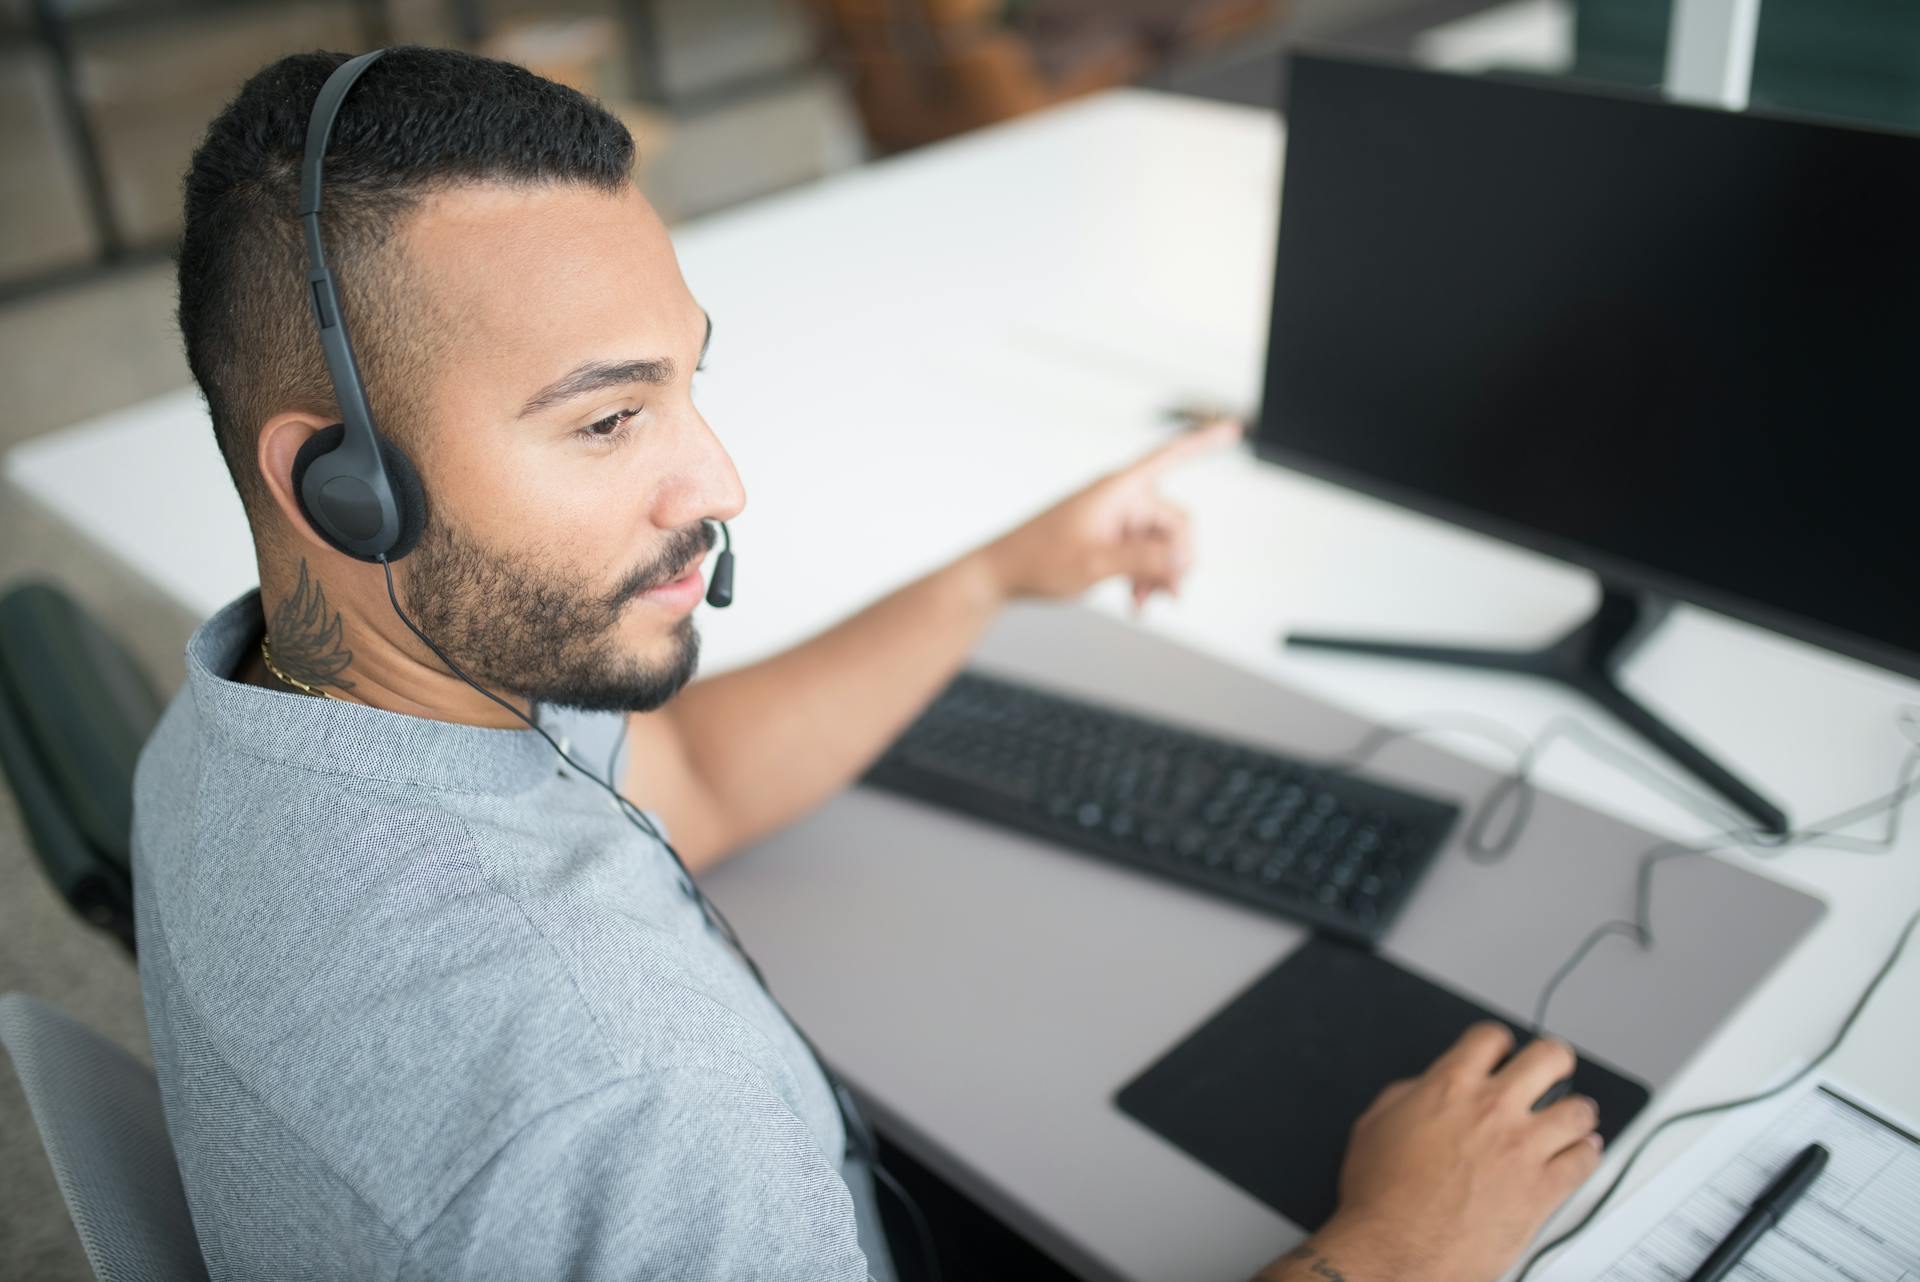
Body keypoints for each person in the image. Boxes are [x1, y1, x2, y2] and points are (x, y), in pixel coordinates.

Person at [136, 45, 1603, 1282]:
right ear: (338, 482)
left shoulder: (248, 722)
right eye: (605, 421)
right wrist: (1395, 1247)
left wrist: (992, 577)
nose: (717, 480)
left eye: (684, 383)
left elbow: (691, 774)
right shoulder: (649, 1105)